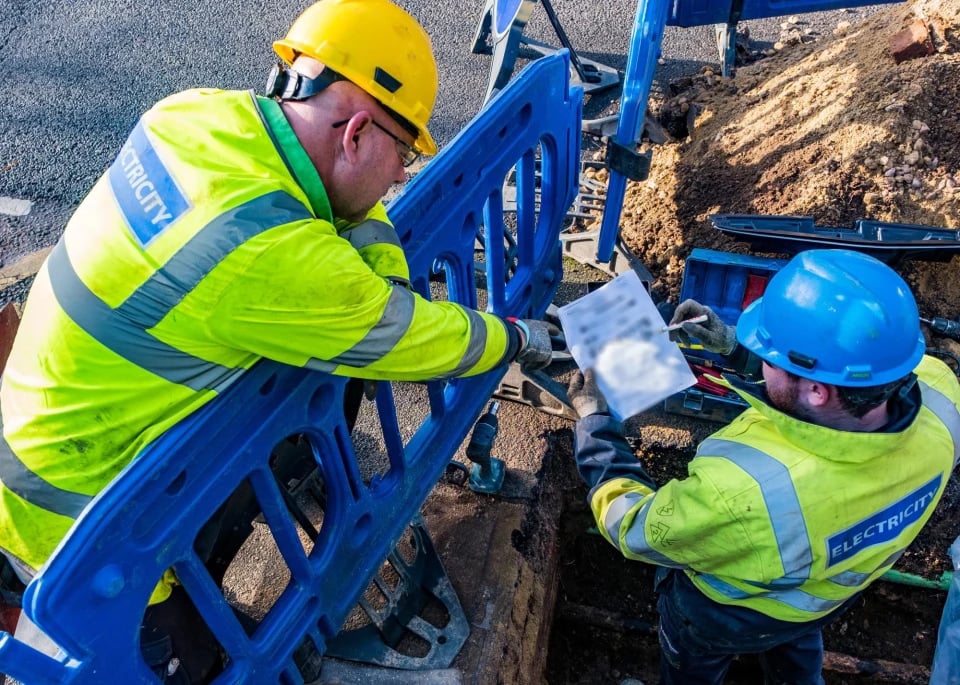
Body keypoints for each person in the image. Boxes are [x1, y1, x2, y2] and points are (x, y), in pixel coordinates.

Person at [0, 0, 555, 681]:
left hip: (62, 434)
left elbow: (356, 222)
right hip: (76, 530)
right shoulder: (269, 254)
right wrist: (516, 337)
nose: (403, 175)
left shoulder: (198, 115)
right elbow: (409, 334)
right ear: (354, 133)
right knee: (201, 664)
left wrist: (376, 270)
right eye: (403, 151)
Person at [565, 248, 960, 684]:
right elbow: (837, 378)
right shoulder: (943, 394)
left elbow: (632, 526)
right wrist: (736, 349)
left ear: (815, 392)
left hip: (724, 618)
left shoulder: (747, 493)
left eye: (769, 357)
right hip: (819, 601)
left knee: (692, 668)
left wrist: (594, 425)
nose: (762, 356)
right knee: (796, 658)